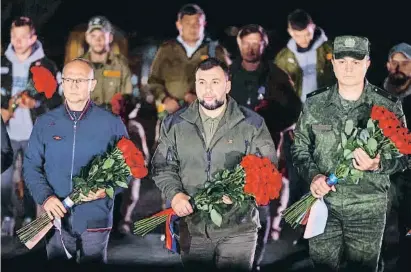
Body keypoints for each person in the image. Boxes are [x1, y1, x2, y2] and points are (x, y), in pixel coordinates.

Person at [291, 35, 409, 271]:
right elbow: (299, 147)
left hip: (368, 208)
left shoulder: (388, 105)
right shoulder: (315, 104)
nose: (348, 68)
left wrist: (377, 164)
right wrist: (313, 175)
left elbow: (405, 157)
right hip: (324, 205)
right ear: (333, 63)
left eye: (356, 62)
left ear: (367, 64)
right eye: (342, 61)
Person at [151, 58, 277, 271]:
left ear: (227, 85)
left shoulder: (252, 124)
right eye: (201, 82)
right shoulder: (175, 124)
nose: (207, 89)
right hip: (192, 229)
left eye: (215, 82)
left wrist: (241, 193)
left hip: (239, 228)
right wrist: (175, 194)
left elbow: (268, 170)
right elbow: (163, 166)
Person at [23, 58, 128, 263]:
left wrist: (107, 189)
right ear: (61, 83)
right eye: (68, 79)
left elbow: (128, 169)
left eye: (80, 80)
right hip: (55, 219)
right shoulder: (45, 122)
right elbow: (31, 166)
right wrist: (46, 198)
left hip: (96, 218)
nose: (73, 85)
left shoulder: (112, 124)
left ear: (92, 84)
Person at [229, 24, 301, 270]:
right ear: (239, 45)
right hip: (229, 154)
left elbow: (295, 111)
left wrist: (271, 115)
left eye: (255, 43)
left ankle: (254, 262)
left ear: (264, 44)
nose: (250, 49)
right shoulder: (227, 74)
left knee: (259, 211)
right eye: (246, 43)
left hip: (263, 155)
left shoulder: (277, 76)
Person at [1, 16, 62, 235]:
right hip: (6, 135)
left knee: (29, 179)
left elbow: (55, 99)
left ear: (33, 38)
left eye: (23, 37)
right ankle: (7, 217)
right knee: (3, 180)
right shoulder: (2, 63)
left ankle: (28, 216)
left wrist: (35, 102)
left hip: (32, 134)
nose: (17, 41)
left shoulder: (46, 65)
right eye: (13, 37)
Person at [147, 3, 231, 115]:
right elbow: (153, 81)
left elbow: (227, 83)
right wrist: (165, 99)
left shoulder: (215, 51)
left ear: (204, 24)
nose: (193, 28)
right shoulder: (166, 50)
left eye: (197, 23)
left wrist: (203, 100)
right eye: (188, 23)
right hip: (170, 115)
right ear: (178, 24)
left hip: (204, 116)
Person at [382, 43, 411, 271]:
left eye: (405, 62)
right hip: (382, 171)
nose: (399, 67)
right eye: (395, 62)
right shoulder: (378, 94)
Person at [274, 9, 335, 102]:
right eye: (298, 36)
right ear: (290, 32)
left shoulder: (331, 49)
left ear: (313, 27)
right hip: (297, 111)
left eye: (308, 34)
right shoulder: (283, 58)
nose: (304, 40)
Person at [81, 16, 132, 106]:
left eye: (102, 35)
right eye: (93, 36)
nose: (98, 40)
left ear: (110, 37)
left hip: (112, 118)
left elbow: (128, 96)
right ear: (87, 37)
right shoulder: (78, 66)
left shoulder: (121, 66)